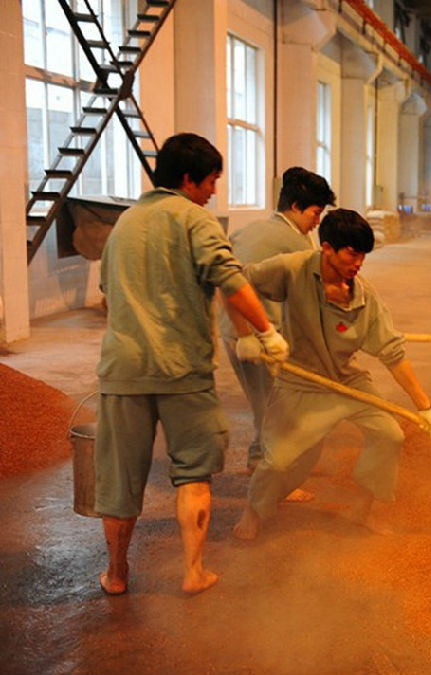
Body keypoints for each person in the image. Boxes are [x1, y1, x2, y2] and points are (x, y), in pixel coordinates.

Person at [94, 133, 289, 595]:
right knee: (192, 472)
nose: (214, 191)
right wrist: (267, 332)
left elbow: (108, 293)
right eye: (211, 181)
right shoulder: (195, 220)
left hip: (123, 371)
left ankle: (117, 574)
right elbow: (232, 280)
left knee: (119, 481)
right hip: (183, 371)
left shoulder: (124, 224)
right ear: (188, 179)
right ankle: (193, 572)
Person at [232, 209, 431, 540]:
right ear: (327, 248)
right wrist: (246, 334)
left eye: (363, 255)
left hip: (347, 381)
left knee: (390, 435)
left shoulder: (364, 296)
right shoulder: (293, 269)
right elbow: (236, 281)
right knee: (277, 460)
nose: (359, 263)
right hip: (301, 379)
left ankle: (361, 510)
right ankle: (253, 511)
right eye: (352, 253)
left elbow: (392, 352)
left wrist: (424, 406)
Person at [218, 167, 336, 475]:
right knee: (274, 411)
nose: (316, 222)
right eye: (314, 213)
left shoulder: (246, 230)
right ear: (296, 207)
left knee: (265, 405)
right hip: (261, 338)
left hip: (233, 333)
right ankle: (264, 475)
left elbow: (224, 281)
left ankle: (260, 465)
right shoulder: (296, 243)